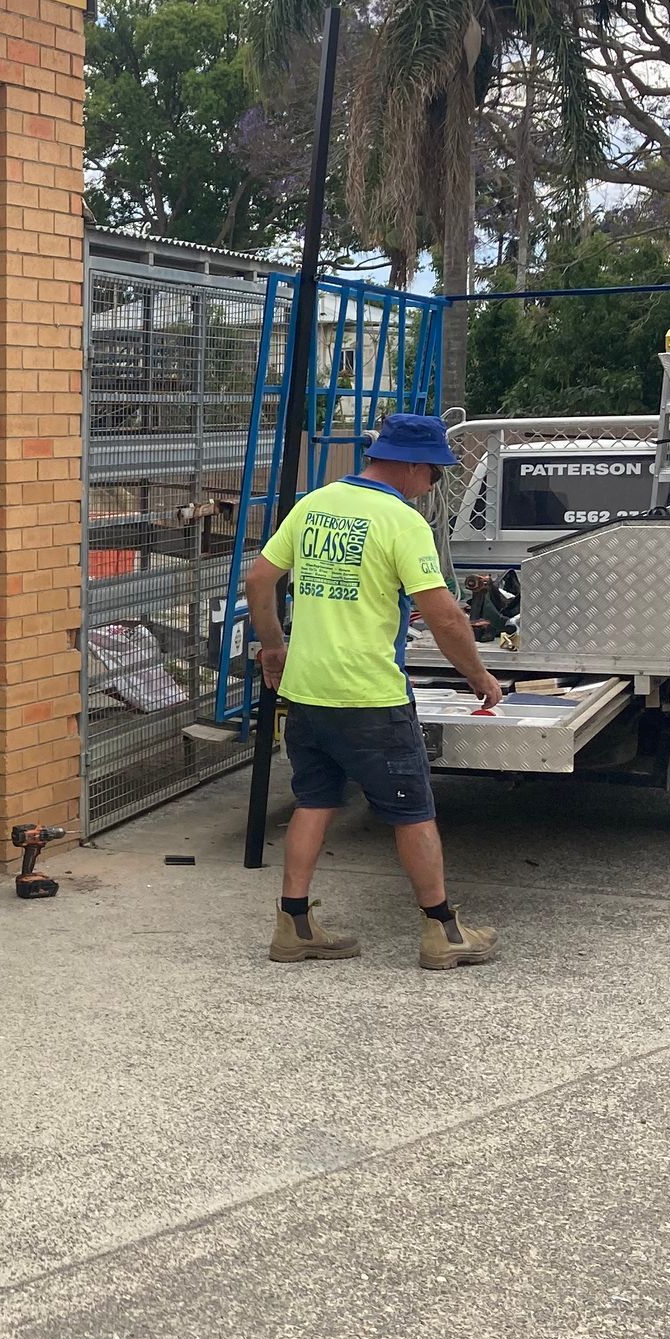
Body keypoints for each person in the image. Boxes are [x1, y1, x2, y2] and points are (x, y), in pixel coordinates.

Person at [245, 411, 503, 971]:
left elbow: (260, 578)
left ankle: (293, 926)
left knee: (315, 800)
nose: (432, 484)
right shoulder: (400, 521)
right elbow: (445, 616)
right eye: (433, 473)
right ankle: (442, 933)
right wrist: (479, 676)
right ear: (411, 465)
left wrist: (273, 647)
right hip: (370, 696)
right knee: (412, 811)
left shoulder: (313, 505)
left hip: (308, 690)